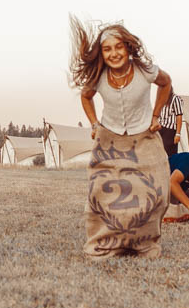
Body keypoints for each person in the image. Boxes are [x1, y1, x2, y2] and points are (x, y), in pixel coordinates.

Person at [71, 16, 173, 260]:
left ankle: (144, 243)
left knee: (158, 190)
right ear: (102, 53)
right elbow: (86, 96)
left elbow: (166, 83)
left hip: (144, 133)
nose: (113, 53)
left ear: (128, 48)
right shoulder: (98, 75)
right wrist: (94, 123)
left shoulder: (145, 70)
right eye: (107, 49)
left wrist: (156, 114)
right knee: (102, 192)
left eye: (118, 47)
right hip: (110, 136)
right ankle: (107, 243)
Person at [158, 91, 185, 156]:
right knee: (160, 151)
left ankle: (171, 165)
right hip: (161, 127)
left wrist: (178, 134)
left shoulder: (175, 98)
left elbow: (179, 116)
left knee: (170, 153)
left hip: (170, 129)